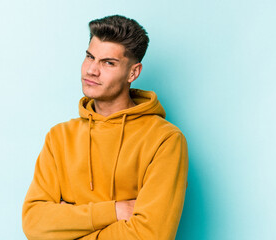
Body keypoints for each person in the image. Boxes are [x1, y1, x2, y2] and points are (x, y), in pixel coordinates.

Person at [22, 15, 188, 240]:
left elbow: (149, 235)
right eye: (90, 57)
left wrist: (67, 223)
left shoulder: (165, 140)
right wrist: (115, 210)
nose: (91, 70)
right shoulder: (59, 137)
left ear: (133, 72)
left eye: (108, 63)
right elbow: (34, 222)